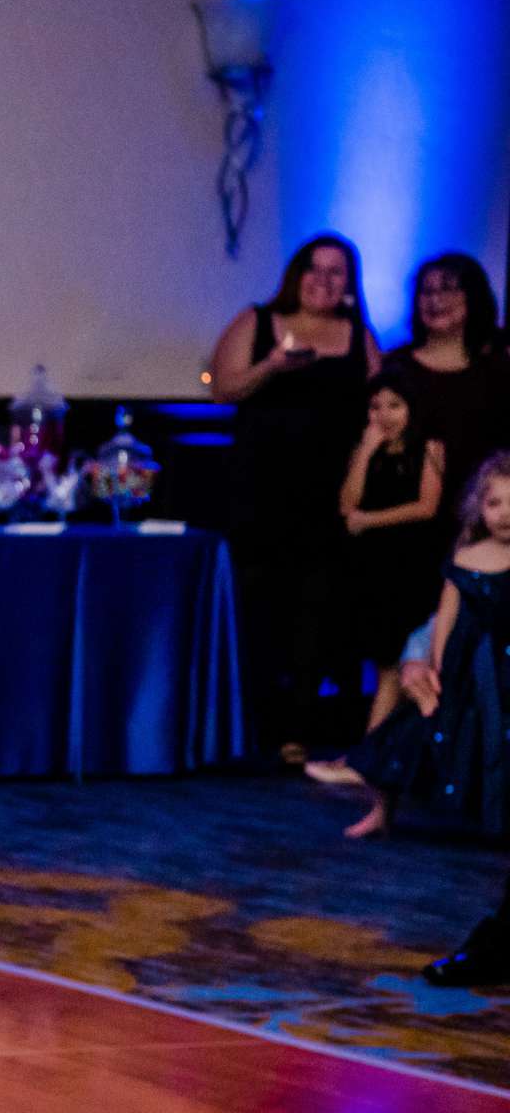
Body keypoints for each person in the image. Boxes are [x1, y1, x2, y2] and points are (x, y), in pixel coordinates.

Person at [211, 233, 381, 760]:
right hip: (261, 491)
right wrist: (272, 368)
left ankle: (300, 730)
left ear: (348, 285)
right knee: (261, 608)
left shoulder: (357, 334)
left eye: (336, 272)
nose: (323, 280)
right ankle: (254, 726)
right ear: (296, 274)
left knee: (318, 611)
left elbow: (382, 399)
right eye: (314, 269)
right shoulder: (257, 321)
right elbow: (224, 386)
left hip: (328, 493)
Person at [310, 452, 510, 839]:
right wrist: (433, 663)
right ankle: (381, 811)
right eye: (495, 503)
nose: (505, 514)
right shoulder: (466, 556)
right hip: (462, 668)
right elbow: (446, 616)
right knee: (408, 732)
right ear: (479, 507)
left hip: (502, 671)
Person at [336, 371, 446, 731]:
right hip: (373, 567)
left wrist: (369, 520)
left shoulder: (428, 448)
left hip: (413, 565)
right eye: (375, 406)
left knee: (399, 661)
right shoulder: (365, 450)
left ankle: (371, 754)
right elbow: (346, 505)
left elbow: (426, 506)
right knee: (383, 660)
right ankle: (377, 752)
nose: (384, 415)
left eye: (394, 406)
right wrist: (366, 451)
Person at [386, 253, 508, 513]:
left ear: (473, 298)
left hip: (482, 514)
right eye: (427, 291)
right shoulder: (396, 367)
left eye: (448, 289)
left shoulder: (498, 370)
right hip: (404, 514)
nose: (435, 300)